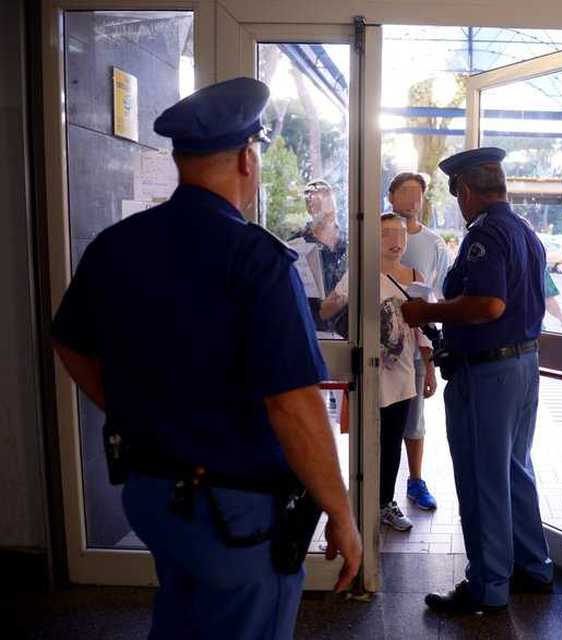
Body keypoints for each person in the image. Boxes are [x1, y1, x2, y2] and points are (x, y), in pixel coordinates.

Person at [50, 77, 361, 640]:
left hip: (153, 495)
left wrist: (137, 409)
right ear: (247, 158)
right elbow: (293, 404)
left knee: (183, 618)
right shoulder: (257, 259)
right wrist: (339, 510)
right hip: (234, 515)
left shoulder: (116, 245)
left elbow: (69, 342)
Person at [401, 148, 553, 614]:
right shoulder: (525, 230)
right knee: (513, 469)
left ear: (466, 192)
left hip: (487, 373)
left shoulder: (485, 233)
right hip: (524, 364)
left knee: (482, 477)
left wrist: (425, 311)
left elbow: (488, 304)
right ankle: (533, 565)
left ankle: (488, 585)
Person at [320, 214, 436, 531]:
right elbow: (326, 310)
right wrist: (343, 295)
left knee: (392, 439)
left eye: (400, 233)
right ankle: (355, 504)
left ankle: (384, 502)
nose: (395, 240)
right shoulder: (360, 274)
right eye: (386, 233)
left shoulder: (415, 276)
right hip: (367, 374)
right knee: (364, 438)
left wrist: (428, 368)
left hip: (400, 377)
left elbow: (424, 330)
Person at [387, 172, 451, 511]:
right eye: (406, 192)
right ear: (391, 197)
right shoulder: (375, 236)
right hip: (381, 349)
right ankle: (379, 491)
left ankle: (415, 479)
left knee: (415, 417)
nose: (414, 200)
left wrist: (429, 362)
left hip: (416, 345)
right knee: (382, 419)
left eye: (419, 194)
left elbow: (436, 300)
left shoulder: (434, 244)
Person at [289, 179, 348, 333]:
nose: (326, 207)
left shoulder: (352, 243)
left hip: (351, 336)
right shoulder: (297, 245)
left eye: (328, 198)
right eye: (318, 202)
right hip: (313, 333)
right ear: (309, 208)